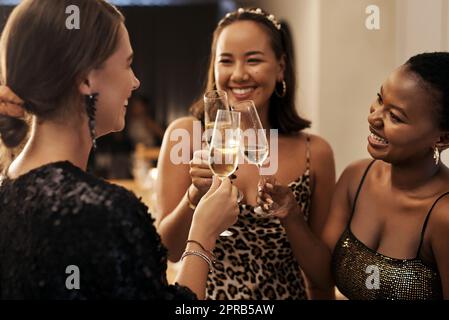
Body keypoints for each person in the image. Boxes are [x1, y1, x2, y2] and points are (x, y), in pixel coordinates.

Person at [0, 0, 239, 299]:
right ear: (86, 77)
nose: (136, 82)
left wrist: (193, 198)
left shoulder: (9, 189)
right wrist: (203, 236)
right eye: (127, 64)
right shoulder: (105, 213)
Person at [156, 7, 335, 299]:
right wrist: (195, 194)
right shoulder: (186, 135)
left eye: (253, 60)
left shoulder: (314, 152)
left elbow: (323, 276)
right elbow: (169, 251)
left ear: (280, 67)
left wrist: (291, 216)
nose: (238, 75)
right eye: (226, 61)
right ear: (214, 68)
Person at [259, 52, 449, 300]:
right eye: (380, 99)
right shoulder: (356, 177)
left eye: (395, 117)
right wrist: (291, 215)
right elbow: (324, 276)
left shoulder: (443, 215)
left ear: (442, 138)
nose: (373, 117)